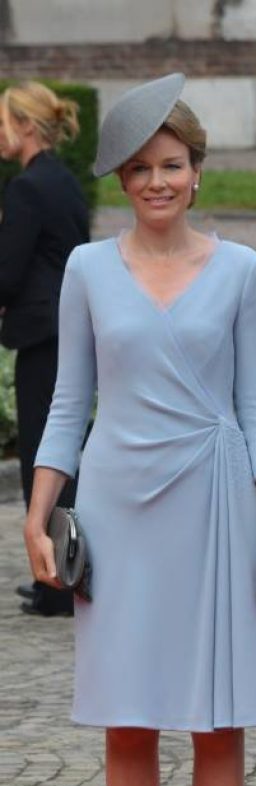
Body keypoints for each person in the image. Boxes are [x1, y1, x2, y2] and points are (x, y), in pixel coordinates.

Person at [23, 74, 256, 786]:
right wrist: (37, 508)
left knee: (217, 723)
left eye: (171, 165)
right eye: (140, 169)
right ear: (122, 179)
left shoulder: (243, 269)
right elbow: (66, 401)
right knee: (129, 717)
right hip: (119, 510)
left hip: (217, 503)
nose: (157, 182)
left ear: (196, 170)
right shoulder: (88, 270)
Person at [0, 81, 89, 617]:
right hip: (65, 328)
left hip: (40, 333)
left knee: (46, 456)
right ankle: (62, 574)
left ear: (26, 126)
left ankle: (56, 583)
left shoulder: (27, 188)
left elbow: (10, 273)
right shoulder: (65, 182)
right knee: (63, 453)